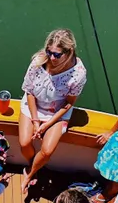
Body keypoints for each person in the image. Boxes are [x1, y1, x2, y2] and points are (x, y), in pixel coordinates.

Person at [19, 29, 87, 193]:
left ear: (69, 52)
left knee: (48, 150)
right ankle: (33, 164)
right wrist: (36, 122)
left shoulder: (78, 74)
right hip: (33, 105)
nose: (51, 57)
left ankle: (31, 173)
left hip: (57, 111)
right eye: (49, 52)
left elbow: (69, 103)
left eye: (57, 54)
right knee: (24, 143)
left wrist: (48, 124)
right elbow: (29, 92)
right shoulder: (37, 62)